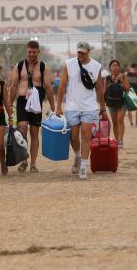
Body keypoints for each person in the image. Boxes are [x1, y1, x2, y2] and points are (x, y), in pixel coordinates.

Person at [56, 41, 104, 180]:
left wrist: (103, 107)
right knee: (73, 136)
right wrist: (58, 106)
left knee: (86, 135)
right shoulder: (69, 64)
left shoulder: (96, 66)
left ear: (88, 52)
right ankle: (77, 155)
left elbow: (99, 88)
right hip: (72, 106)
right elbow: (62, 86)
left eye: (83, 52)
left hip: (89, 106)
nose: (80, 54)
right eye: (79, 52)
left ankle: (83, 166)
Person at [10, 40, 56, 173]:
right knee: (22, 129)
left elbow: (48, 87)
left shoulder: (43, 67)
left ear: (38, 52)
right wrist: (9, 104)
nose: (31, 54)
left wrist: (54, 107)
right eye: (29, 52)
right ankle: (24, 159)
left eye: (34, 52)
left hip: (36, 104)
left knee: (34, 133)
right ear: (26, 51)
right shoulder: (19, 66)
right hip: (22, 101)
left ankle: (33, 164)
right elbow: (13, 86)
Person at [104, 59, 130, 147]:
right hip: (111, 102)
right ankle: (116, 140)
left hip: (122, 102)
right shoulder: (107, 78)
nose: (115, 67)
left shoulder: (123, 76)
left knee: (120, 119)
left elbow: (127, 88)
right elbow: (105, 91)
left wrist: (122, 80)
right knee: (114, 122)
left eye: (117, 65)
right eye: (113, 65)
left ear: (119, 67)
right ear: (110, 67)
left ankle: (121, 140)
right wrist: (103, 104)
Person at [126, 63, 137, 128]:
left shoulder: (126, 74)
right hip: (135, 92)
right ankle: (136, 122)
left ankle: (131, 122)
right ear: (135, 67)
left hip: (129, 92)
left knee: (129, 108)